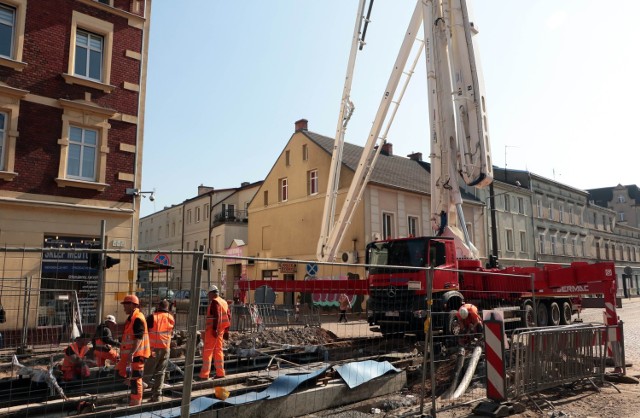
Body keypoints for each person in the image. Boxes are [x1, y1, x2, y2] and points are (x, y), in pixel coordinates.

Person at [116, 294, 150, 406]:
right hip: (130, 356)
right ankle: (141, 386)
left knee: (135, 379)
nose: (124, 307)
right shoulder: (131, 319)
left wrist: (132, 353)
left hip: (137, 355)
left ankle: (136, 402)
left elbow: (139, 338)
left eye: (125, 305)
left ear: (132, 305)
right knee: (120, 373)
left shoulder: (138, 318)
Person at [143, 299, 175, 402]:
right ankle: (156, 395)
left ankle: (137, 395)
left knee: (147, 372)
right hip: (166, 348)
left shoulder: (153, 317)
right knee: (160, 372)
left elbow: (144, 332)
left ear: (158, 306)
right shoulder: (171, 317)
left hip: (153, 349)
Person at [198, 285, 230, 380]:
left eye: (209, 294)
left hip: (213, 331)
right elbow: (228, 316)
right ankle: (220, 373)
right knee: (218, 351)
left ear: (212, 293)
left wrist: (214, 329)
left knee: (207, 352)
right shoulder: (223, 302)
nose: (208, 296)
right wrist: (226, 331)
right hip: (220, 331)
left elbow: (216, 316)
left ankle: (204, 375)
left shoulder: (215, 302)